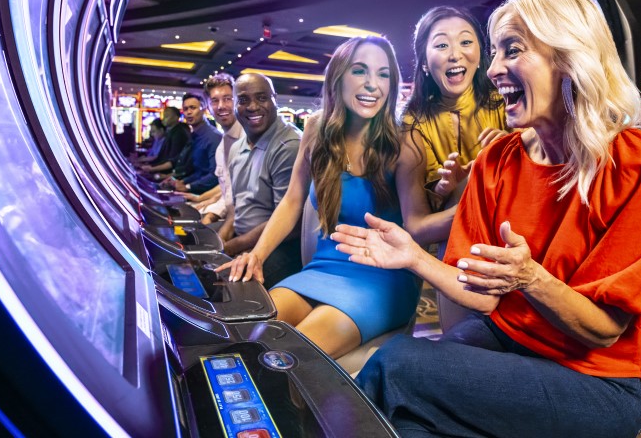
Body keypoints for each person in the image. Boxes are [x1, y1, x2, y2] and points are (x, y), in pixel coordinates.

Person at [331, 0, 641, 438]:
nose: (492, 69)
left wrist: (531, 278)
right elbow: (485, 296)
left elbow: (603, 331)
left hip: (596, 381)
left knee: (396, 364)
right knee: (408, 418)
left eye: (512, 50)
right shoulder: (498, 159)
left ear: (569, 57)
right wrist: (414, 256)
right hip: (509, 337)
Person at [219, 36, 453, 358]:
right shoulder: (315, 129)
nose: (373, 84)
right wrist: (257, 255)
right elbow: (292, 201)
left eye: (383, 74)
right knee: (245, 335)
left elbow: (417, 226)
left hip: (381, 279)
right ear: (338, 76)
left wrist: (470, 205)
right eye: (360, 71)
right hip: (322, 268)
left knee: (287, 355)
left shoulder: (404, 143)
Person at [404, 5, 507, 210]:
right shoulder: (413, 122)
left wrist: (513, 148)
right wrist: (445, 188)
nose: (455, 55)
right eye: (442, 45)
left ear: (480, 54)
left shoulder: (506, 102)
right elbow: (420, 213)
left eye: (466, 42)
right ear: (424, 62)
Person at [220, 73, 302, 288]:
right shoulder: (237, 146)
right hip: (243, 238)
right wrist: (220, 240)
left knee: (228, 286)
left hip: (280, 246)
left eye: (262, 98)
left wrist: (233, 247)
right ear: (235, 104)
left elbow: (291, 222)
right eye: (244, 100)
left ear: (275, 100)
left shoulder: (289, 145)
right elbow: (236, 207)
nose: (253, 107)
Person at [180, 74, 244, 226]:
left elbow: (240, 196)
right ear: (208, 107)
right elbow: (226, 187)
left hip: (242, 221)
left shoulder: (246, 138)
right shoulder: (223, 143)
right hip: (227, 213)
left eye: (227, 98)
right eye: (215, 101)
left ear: (237, 101)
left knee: (185, 230)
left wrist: (210, 213)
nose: (221, 106)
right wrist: (203, 200)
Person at [166, 93, 221, 194]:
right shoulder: (195, 135)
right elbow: (199, 172)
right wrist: (182, 182)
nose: (189, 112)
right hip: (196, 190)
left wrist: (187, 186)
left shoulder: (213, 137)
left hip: (209, 195)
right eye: (186, 109)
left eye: (193, 108)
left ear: (204, 110)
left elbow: (216, 175)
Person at [140, 106, 189, 176]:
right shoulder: (173, 131)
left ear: (176, 117)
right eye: (164, 116)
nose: (164, 119)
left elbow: (172, 159)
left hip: (171, 174)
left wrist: (152, 168)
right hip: (165, 171)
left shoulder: (179, 133)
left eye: (167, 116)